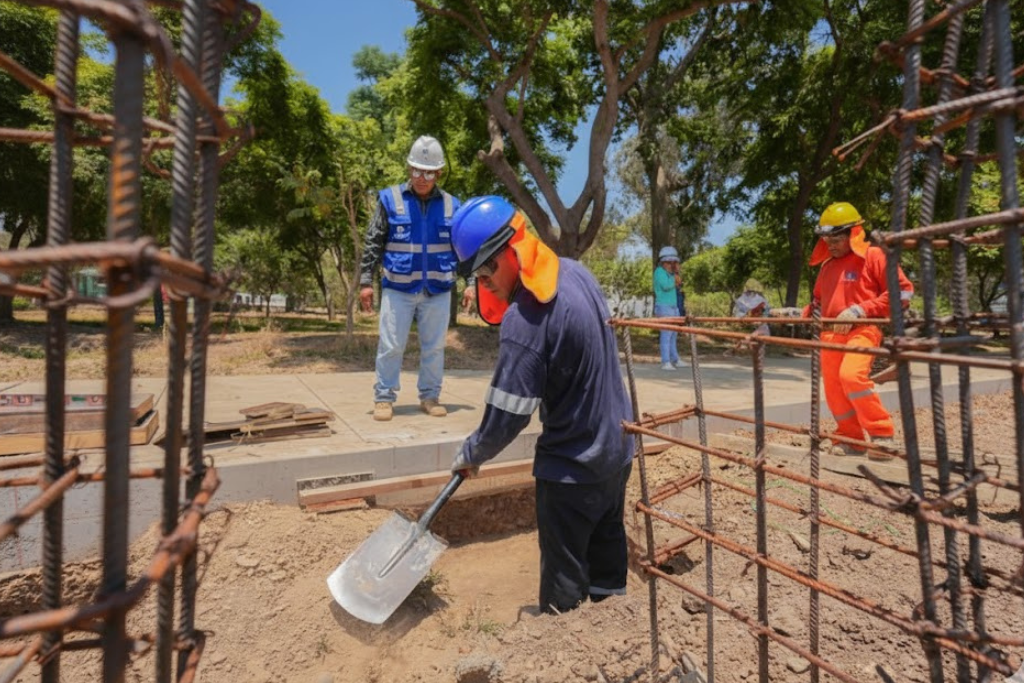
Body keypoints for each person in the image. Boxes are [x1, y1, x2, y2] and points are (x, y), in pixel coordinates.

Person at [448, 195, 634, 615]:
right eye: (475, 273)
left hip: (571, 468)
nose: (484, 280)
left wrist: (473, 452)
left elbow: (509, 413)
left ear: (512, 247)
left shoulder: (525, 319)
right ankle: (612, 618)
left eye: (487, 267)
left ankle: (562, 641)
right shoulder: (576, 271)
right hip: (617, 451)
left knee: (564, 588)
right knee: (607, 555)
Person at [358, 135, 469, 422]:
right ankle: (384, 397)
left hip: (438, 289)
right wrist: (365, 282)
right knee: (391, 345)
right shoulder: (389, 199)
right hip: (398, 288)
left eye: (429, 172)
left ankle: (430, 396)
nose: (422, 178)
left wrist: (471, 283)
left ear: (439, 173)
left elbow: (464, 247)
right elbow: (373, 241)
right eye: (417, 170)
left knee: (434, 347)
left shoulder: (451, 205)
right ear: (409, 169)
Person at [804, 201, 914, 459]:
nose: (830, 243)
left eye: (837, 237)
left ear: (853, 233)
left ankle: (882, 435)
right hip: (829, 335)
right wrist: (807, 312)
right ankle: (851, 439)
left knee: (852, 376)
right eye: (826, 238)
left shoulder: (875, 257)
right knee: (834, 388)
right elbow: (818, 300)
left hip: (863, 329)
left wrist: (860, 310)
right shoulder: (827, 266)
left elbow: (904, 291)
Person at [653, 246, 684, 371]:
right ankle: (665, 361)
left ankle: (675, 359)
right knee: (666, 334)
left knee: (673, 335)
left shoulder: (671, 274)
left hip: (673, 307)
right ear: (663, 262)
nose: (673, 264)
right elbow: (665, 286)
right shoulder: (659, 272)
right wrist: (674, 278)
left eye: (674, 262)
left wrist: (675, 275)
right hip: (664, 307)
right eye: (670, 262)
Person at [730, 278, 771, 353]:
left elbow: (762, 319)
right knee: (751, 340)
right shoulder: (754, 309)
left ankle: (738, 348)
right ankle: (738, 348)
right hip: (760, 330)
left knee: (749, 338)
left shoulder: (761, 307)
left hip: (762, 330)